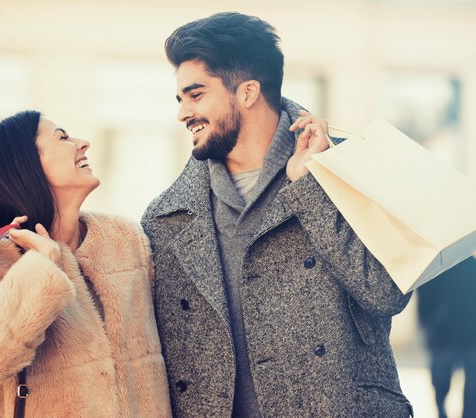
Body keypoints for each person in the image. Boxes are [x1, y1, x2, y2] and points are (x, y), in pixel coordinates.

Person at [141, 12, 413, 417]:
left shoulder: (349, 170)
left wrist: (311, 188)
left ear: (248, 92)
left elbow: (386, 292)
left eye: (196, 95)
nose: (182, 113)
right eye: (180, 99)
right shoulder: (167, 218)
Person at [0, 111, 172, 417]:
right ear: (26, 165)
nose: (83, 144)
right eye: (63, 137)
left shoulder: (126, 241)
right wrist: (43, 266)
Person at [418, 256, 476, 418]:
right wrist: (428, 323)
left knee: (472, 390)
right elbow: (424, 302)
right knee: (441, 385)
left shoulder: (471, 264)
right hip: (443, 336)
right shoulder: (434, 269)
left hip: (469, 337)